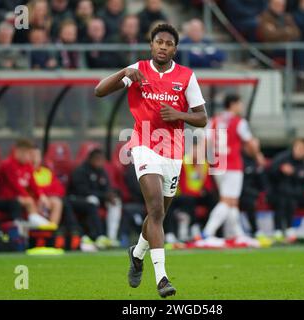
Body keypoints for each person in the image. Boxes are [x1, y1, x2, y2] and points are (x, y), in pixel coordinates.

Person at [94, 23, 207, 297]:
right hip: (144, 145)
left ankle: (137, 253)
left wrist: (179, 115)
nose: (163, 47)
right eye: (159, 42)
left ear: (174, 49)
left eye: (168, 43)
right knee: (155, 209)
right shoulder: (138, 69)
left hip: (173, 152)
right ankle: (162, 279)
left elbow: (202, 118)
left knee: (158, 215)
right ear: (151, 44)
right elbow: (99, 90)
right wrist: (124, 72)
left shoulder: (186, 76)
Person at [202, 94, 264, 243]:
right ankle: (207, 232)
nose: (241, 107)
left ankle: (236, 233)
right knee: (228, 200)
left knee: (232, 201)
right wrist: (258, 156)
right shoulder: (239, 122)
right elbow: (250, 143)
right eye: (240, 103)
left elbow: (205, 141)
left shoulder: (214, 120)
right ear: (233, 104)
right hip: (233, 166)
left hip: (217, 164)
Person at [268, 138, 304, 243]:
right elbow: (270, 173)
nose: (299, 150)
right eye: (298, 147)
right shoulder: (282, 158)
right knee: (284, 200)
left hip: (298, 193)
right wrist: (280, 170)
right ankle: (280, 230)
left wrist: (294, 173)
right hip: (280, 193)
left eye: (303, 148)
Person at [68, 148, 122, 249]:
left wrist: (110, 195)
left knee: (116, 203)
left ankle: (111, 237)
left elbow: (107, 188)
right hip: (80, 200)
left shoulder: (102, 172)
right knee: (93, 200)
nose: (100, 162)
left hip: (99, 199)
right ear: (90, 159)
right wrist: (103, 196)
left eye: (102, 160)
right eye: (97, 159)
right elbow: (82, 191)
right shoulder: (80, 171)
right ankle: (98, 235)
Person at [0, 139, 54, 228]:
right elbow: (16, 187)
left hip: (22, 197)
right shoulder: (8, 165)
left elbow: (33, 185)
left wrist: (41, 196)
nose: (31, 158)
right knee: (29, 201)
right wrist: (31, 198)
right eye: (29, 154)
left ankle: (47, 227)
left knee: (47, 201)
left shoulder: (27, 166)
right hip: (7, 198)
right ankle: (37, 226)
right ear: (19, 152)